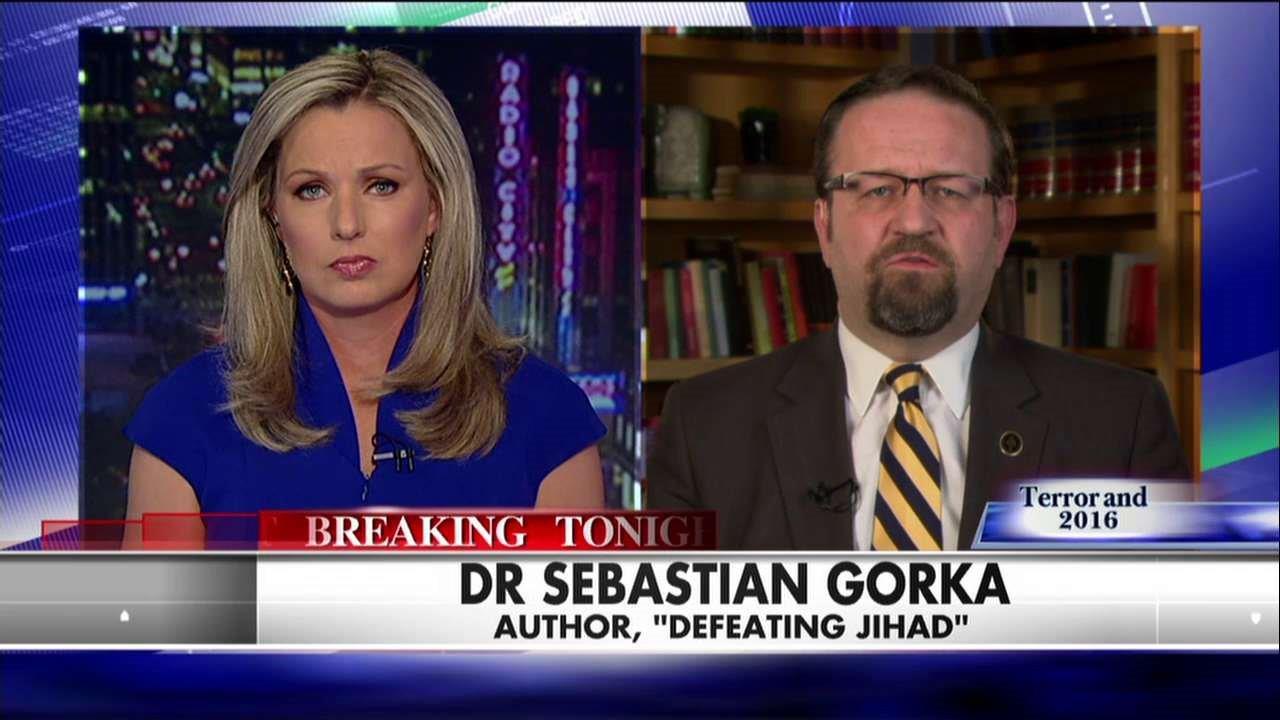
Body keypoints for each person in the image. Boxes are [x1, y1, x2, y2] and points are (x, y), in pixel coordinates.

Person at [646, 65, 1189, 551]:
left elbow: (1164, 628)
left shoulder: (1121, 424)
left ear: (1002, 228)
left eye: (950, 190)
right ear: (824, 226)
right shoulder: (705, 427)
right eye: (877, 190)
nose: (913, 221)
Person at [123, 49, 606, 547]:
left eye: (381, 185)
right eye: (312, 190)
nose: (347, 224)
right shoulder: (184, 420)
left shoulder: (547, 420)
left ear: (435, 206)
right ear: (274, 218)